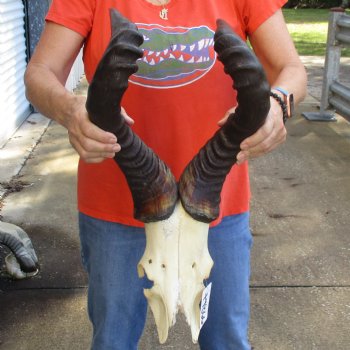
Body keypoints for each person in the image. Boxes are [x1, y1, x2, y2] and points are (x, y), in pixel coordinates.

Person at [24, 0, 307, 349]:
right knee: (112, 339)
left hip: (216, 204)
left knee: (226, 341)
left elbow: (291, 69)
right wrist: (70, 110)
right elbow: (39, 73)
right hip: (116, 207)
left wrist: (278, 103)